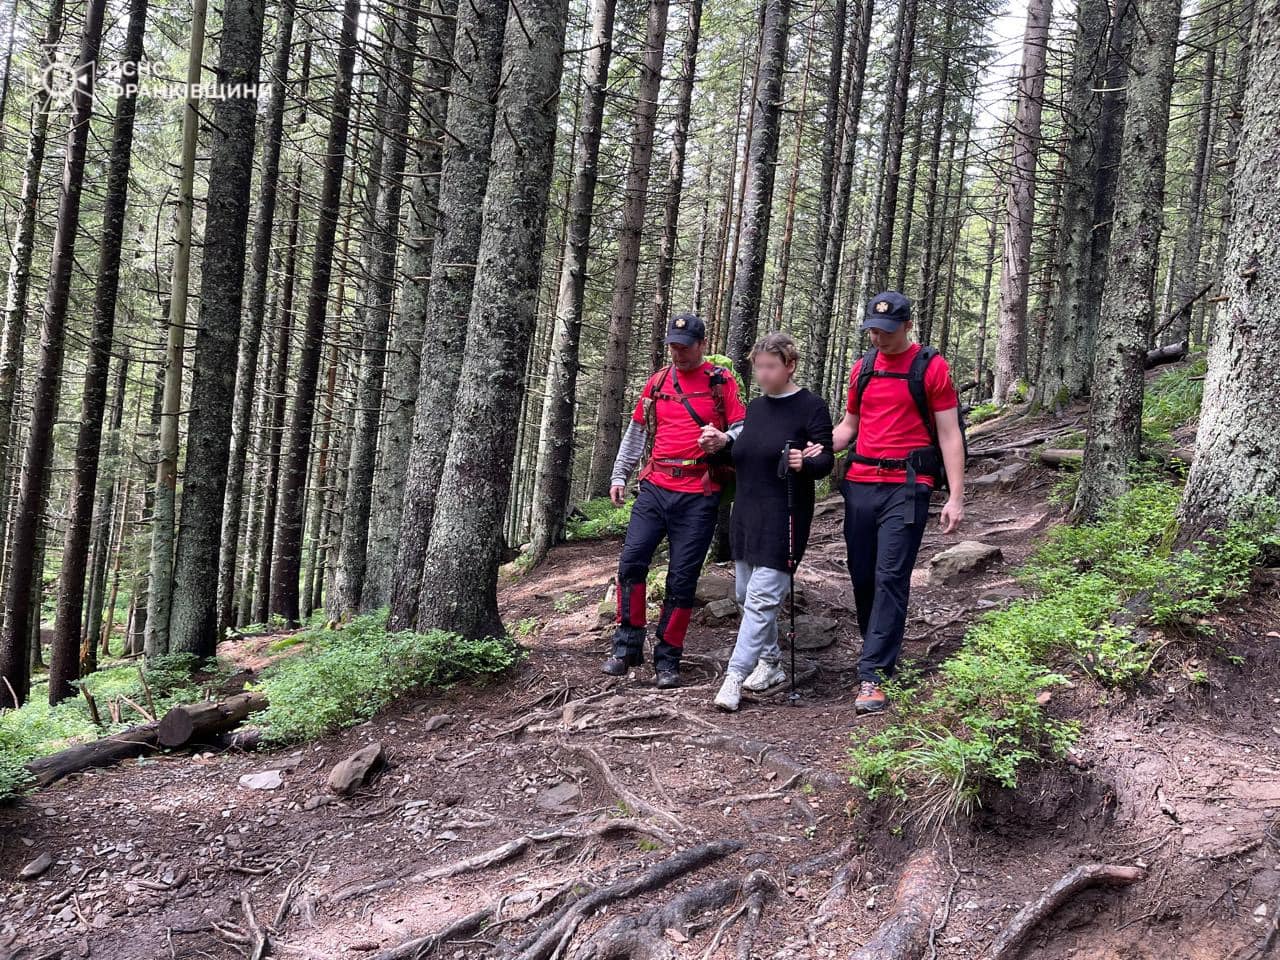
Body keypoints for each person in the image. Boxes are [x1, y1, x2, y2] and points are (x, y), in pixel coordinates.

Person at [832, 291, 966, 714]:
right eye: (873, 329)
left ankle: (873, 673)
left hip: (908, 484)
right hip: (860, 482)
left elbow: (949, 434)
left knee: (891, 574)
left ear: (907, 325)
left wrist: (956, 496)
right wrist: (813, 447)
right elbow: (849, 425)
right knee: (862, 576)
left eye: (886, 331)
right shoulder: (863, 368)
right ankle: (878, 646)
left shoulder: (931, 366)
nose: (878, 337)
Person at [604, 311, 747, 688]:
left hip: (699, 492)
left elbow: (742, 427)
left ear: (701, 345)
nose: (678, 353)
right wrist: (620, 474)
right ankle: (626, 646)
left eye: (684, 347)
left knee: (682, 579)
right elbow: (637, 431)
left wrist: (724, 440)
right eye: (673, 346)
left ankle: (668, 658)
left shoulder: (721, 382)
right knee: (632, 563)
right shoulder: (657, 382)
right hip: (655, 486)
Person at [697, 333, 833, 711]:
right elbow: (740, 458)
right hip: (747, 513)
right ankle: (770, 663)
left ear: (790, 365)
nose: (762, 373)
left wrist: (805, 463)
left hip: (786, 516)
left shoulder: (811, 407)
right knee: (743, 596)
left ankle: (734, 677)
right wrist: (717, 448)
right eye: (758, 366)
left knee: (760, 599)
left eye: (770, 366)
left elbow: (825, 459)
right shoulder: (754, 409)